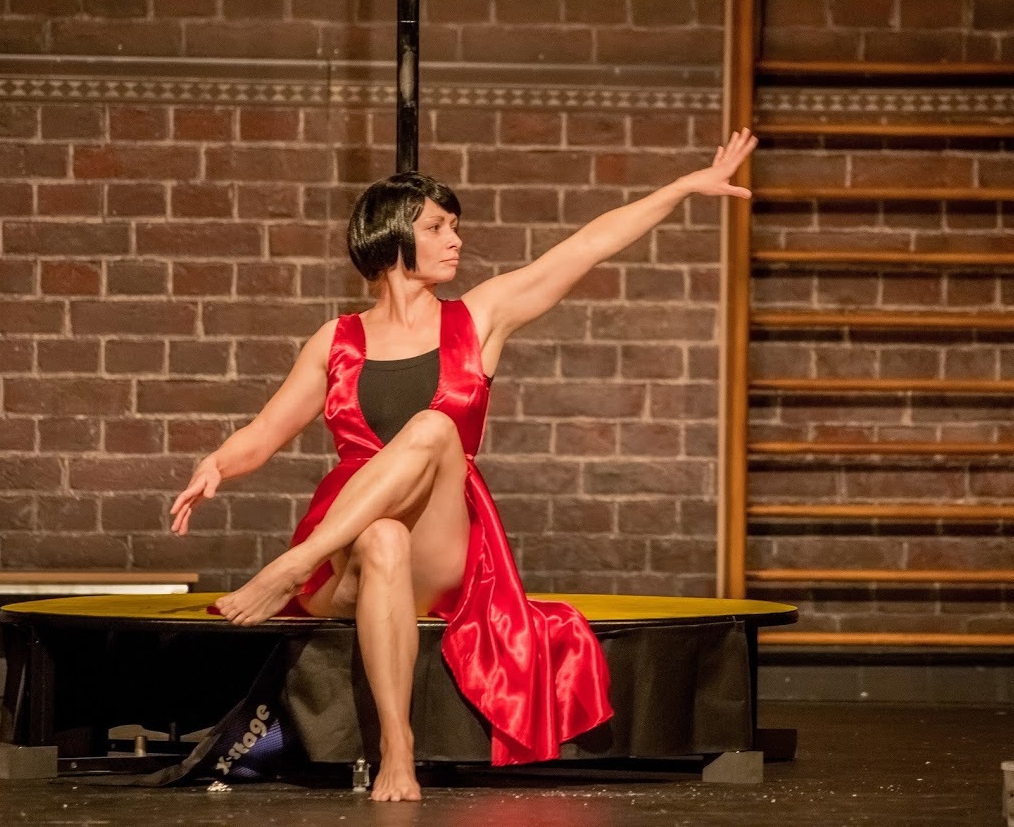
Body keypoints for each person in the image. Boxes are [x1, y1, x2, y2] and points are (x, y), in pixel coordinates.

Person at [167, 128, 757, 801]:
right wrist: (216, 465)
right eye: (437, 227)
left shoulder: (479, 318)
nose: (455, 240)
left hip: (442, 544)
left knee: (431, 427)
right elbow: (266, 431)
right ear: (392, 236)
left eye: (454, 226)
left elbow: (586, 247)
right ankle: (397, 748)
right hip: (352, 553)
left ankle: (291, 567)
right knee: (382, 537)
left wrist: (682, 189)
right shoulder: (337, 341)